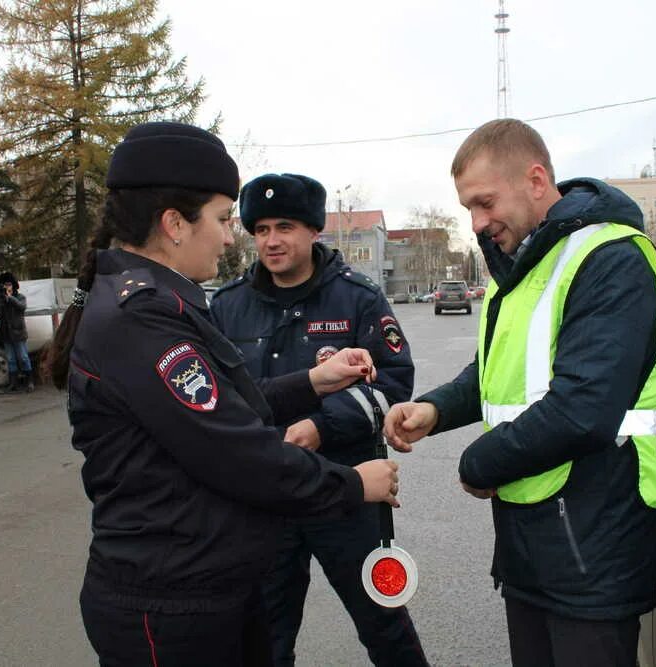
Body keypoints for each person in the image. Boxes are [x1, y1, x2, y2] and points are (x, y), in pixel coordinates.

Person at [42, 122, 402, 667]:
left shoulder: (162, 303)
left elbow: (220, 404)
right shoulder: (142, 317)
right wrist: (353, 484)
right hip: (170, 602)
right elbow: (236, 451)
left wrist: (312, 382)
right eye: (222, 219)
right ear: (174, 225)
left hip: (202, 586)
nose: (234, 238)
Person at [383, 118, 656, 667]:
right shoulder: (519, 266)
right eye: (467, 207)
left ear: (536, 180)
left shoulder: (611, 259)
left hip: (595, 540)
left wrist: (477, 463)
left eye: (485, 202)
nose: (477, 222)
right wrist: (435, 409)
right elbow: (493, 371)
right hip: (532, 539)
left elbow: (585, 409)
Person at [209, 173, 427, 666]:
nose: (271, 241)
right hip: (265, 498)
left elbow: (393, 384)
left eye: (284, 226)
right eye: (260, 229)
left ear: (313, 230)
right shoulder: (228, 306)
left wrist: (322, 427)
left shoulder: (358, 298)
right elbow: (221, 401)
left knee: (385, 626)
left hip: (346, 488)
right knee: (265, 639)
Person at [0, 270, 33, 392]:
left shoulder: (19, 297)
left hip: (18, 332)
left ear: (13, 285)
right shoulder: (0, 299)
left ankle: (29, 382)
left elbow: (22, 307)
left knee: (23, 357)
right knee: (10, 359)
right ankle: (13, 384)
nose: (7, 287)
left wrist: (10, 298)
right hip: (6, 333)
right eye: (5, 285)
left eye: (9, 284)